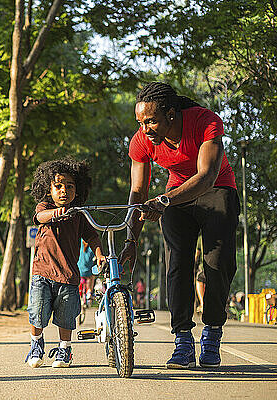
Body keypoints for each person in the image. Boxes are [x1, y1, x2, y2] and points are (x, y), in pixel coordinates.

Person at [118, 82, 240, 369]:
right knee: (177, 265)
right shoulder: (142, 140)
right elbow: (138, 192)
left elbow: (207, 176)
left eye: (151, 121)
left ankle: (211, 335)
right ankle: (183, 341)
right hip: (176, 195)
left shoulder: (205, 121)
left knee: (217, 263)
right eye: (140, 122)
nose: (145, 129)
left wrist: (164, 201)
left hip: (218, 188)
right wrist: (131, 241)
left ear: (172, 114)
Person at [25, 157, 104, 368]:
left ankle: (64, 349)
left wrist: (99, 254)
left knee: (66, 317)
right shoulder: (45, 207)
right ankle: (36, 344)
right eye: (58, 186)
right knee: (37, 313)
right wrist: (54, 213)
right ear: (48, 189)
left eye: (69, 186)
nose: (64, 191)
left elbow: (93, 237)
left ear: (77, 191)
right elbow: (40, 216)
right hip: (42, 272)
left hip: (69, 276)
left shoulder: (78, 213)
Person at [77, 239, 96, 306]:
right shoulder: (91, 248)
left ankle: (78, 293)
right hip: (88, 272)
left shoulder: (79, 244)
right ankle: (89, 292)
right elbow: (94, 258)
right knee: (92, 277)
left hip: (79, 270)